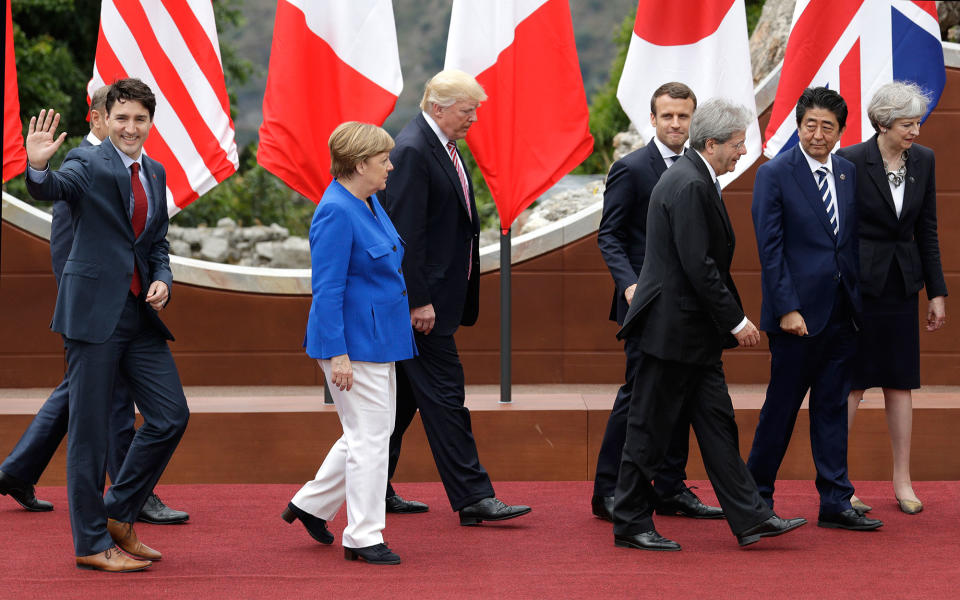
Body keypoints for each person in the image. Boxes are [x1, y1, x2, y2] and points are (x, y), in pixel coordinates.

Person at [612, 98, 806, 551]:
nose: (742, 152)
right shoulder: (690, 183)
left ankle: (751, 517)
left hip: (691, 338)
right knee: (648, 429)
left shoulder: (694, 177)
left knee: (719, 428)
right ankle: (630, 522)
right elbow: (699, 266)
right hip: (672, 335)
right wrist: (738, 322)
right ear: (712, 143)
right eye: (738, 144)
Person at [0, 85, 188, 525]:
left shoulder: (154, 172)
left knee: (167, 415)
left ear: (150, 123)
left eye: (140, 119)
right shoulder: (86, 160)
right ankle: (106, 523)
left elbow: (155, 243)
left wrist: (162, 279)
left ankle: (113, 500)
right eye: (121, 117)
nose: (130, 127)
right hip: (92, 312)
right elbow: (52, 190)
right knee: (98, 420)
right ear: (101, 118)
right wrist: (38, 166)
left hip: (137, 315)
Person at [381, 69, 531, 524]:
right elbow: (404, 234)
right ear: (438, 107)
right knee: (447, 397)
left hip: (437, 302)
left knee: (397, 407)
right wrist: (417, 300)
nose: (473, 120)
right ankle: (473, 497)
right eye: (468, 111)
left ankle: (367, 488)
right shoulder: (411, 151)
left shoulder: (440, 145)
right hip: (422, 309)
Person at [746, 87, 882, 532]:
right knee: (781, 409)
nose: (818, 134)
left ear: (840, 132)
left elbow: (849, 241)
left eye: (827, 126)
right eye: (810, 125)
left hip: (842, 315)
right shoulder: (775, 174)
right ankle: (756, 500)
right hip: (796, 318)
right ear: (798, 126)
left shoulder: (846, 173)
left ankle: (836, 501)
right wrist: (786, 307)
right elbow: (771, 249)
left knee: (830, 408)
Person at [281, 122, 416, 566]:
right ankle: (362, 536)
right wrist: (338, 354)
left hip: (378, 338)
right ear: (360, 165)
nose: (390, 166)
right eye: (383, 161)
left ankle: (310, 505)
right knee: (371, 441)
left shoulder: (368, 200)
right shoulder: (337, 210)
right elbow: (328, 289)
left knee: (365, 433)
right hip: (355, 344)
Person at [593, 82, 722, 522]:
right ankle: (608, 492)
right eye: (667, 116)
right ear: (652, 119)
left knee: (680, 398)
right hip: (643, 307)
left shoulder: (699, 166)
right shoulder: (631, 168)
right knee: (637, 399)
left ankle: (669, 488)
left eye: (683, 116)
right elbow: (609, 235)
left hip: (687, 311)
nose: (675, 123)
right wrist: (631, 286)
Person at [837, 81, 947, 515]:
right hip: (860, 288)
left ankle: (902, 481)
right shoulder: (849, 160)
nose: (915, 130)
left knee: (901, 384)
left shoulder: (925, 160)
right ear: (882, 123)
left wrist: (937, 292)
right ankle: (839, 484)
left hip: (904, 287)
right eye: (906, 123)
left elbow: (928, 230)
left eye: (918, 121)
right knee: (852, 385)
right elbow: (840, 231)